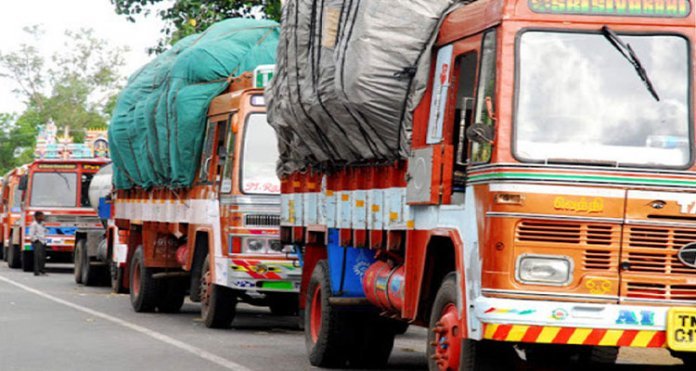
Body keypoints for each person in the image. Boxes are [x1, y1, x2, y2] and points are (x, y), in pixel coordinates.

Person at [28, 211, 47, 276]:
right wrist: (36, 240)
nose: (43, 217)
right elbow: (31, 234)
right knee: (37, 257)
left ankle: (42, 270)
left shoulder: (42, 224)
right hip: (37, 242)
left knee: (42, 257)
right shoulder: (34, 224)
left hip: (43, 241)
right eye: (41, 216)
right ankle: (36, 271)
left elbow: (44, 232)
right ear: (37, 217)